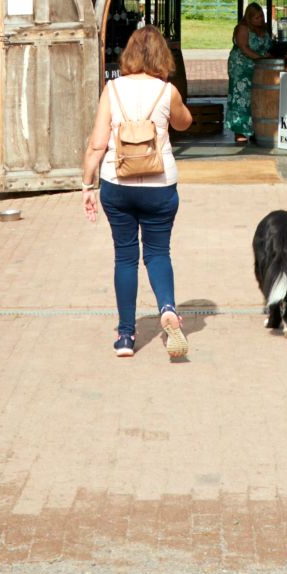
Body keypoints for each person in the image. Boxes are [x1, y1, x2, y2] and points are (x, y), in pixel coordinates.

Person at [82, 25, 195, 359]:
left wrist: (87, 185)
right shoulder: (167, 91)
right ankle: (168, 307)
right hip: (160, 185)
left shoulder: (112, 89)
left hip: (117, 184)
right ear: (163, 56)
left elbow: (97, 144)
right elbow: (185, 123)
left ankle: (126, 336)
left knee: (125, 257)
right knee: (158, 253)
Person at [226, 4, 275, 144]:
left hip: (258, 66)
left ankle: (255, 129)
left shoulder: (263, 29)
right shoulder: (243, 28)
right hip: (241, 67)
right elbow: (244, 47)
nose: (260, 20)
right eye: (256, 17)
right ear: (249, 17)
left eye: (261, 17)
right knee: (241, 97)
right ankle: (240, 130)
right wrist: (260, 58)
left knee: (255, 96)